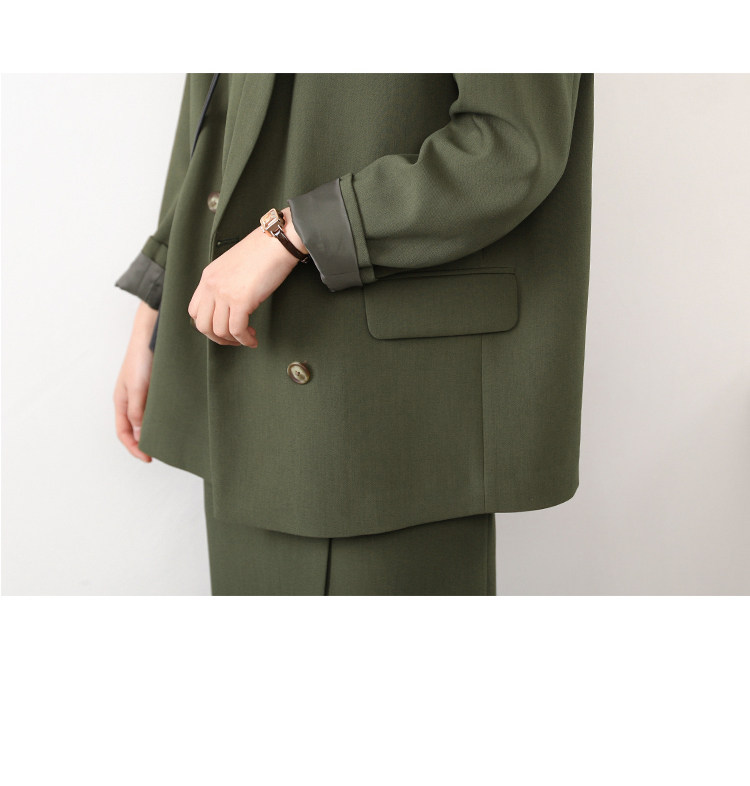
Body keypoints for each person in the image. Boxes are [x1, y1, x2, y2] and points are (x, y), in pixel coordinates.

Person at [113, 73, 594, 595]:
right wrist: (156, 309)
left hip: (380, 401)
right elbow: (214, 106)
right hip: (241, 369)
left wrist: (294, 233)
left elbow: (512, 146)